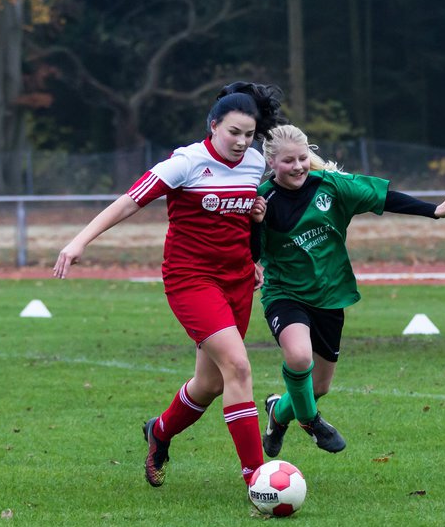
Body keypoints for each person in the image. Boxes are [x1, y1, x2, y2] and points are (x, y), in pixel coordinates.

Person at [53, 82, 288, 487]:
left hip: (236, 281)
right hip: (191, 279)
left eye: (248, 134)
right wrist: (79, 241)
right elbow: (129, 201)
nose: (241, 141)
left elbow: (241, 214)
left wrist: (254, 248)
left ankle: (159, 431)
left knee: (211, 383)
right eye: (233, 132)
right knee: (239, 367)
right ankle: (257, 479)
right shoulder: (185, 163)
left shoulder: (253, 163)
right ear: (213, 125)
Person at [252, 124, 445, 458]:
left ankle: (278, 415)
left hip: (330, 294)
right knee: (299, 357)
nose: (298, 167)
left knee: (318, 386)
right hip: (285, 294)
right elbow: (252, 253)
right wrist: (257, 225)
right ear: (271, 163)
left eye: (303, 158)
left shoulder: (331, 186)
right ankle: (311, 422)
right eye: (288, 161)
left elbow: (382, 196)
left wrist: (432, 210)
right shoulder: (264, 200)